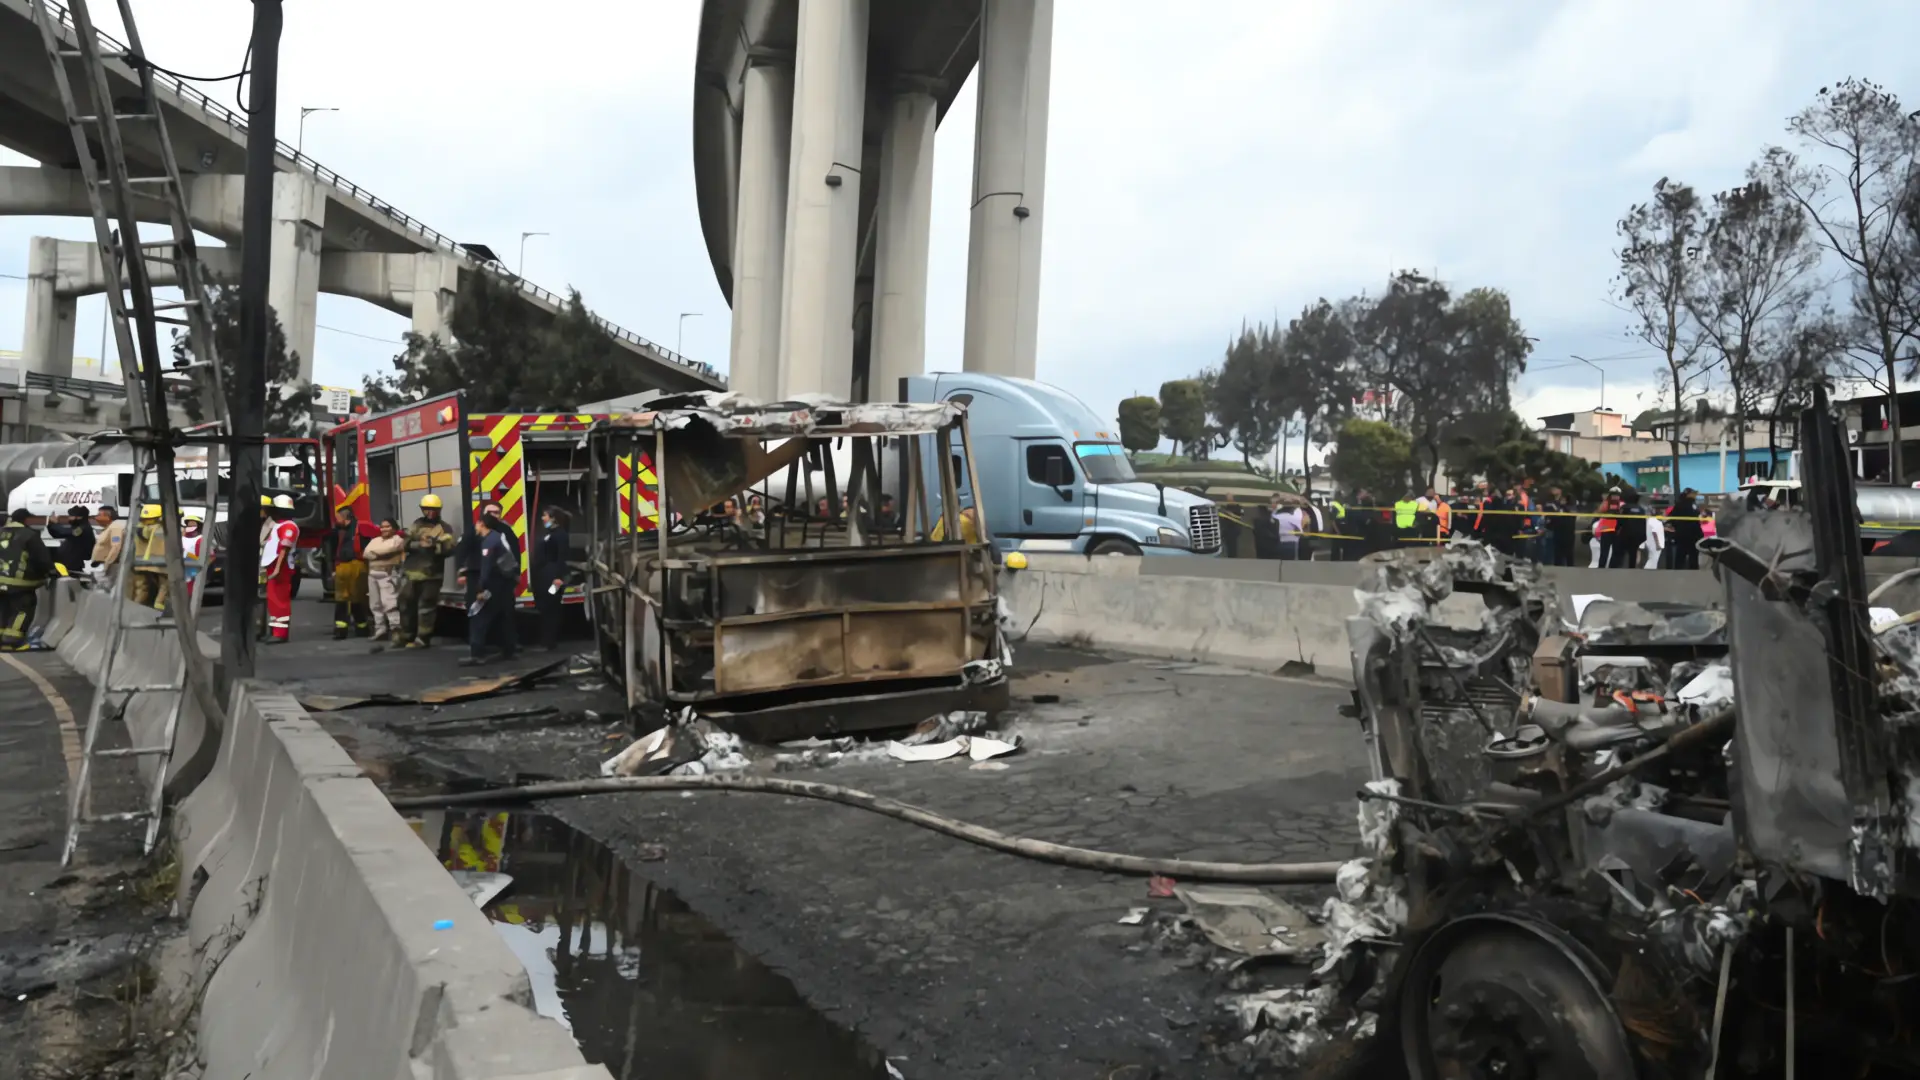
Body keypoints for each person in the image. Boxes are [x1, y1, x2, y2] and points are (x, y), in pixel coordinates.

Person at [395, 494, 458, 649]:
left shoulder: (444, 528)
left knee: (426, 607)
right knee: (405, 604)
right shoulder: (416, 524)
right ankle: (406, 635)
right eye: (427, 510)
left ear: (439, 510)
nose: (430, 513)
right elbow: (405, 543)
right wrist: (418, 544)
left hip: (432, 575)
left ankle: (423, 638)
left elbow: (450, 549)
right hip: (411, 572)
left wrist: (433, 545)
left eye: (433, 510)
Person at [462, 515, 520, 666]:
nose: (475, 527)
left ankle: (477, 654)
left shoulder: (489, 542)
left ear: (482, 524)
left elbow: (486, 568)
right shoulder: (499, 537)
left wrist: (481, 588)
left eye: (477, 524)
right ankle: (508, 650)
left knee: (479, 617)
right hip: (505, 584)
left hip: (494, 584)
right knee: (503, 616)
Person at [0, 508, 54, 650]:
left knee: (3, 609)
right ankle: (12, 641)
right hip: (19, 583)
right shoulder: (29, 535)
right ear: (26, 519)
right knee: (22, 609)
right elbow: (41, 558)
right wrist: (50, 572)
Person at [328, 507, 379, 640]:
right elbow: (332, 551)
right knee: (342, 598)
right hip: (342, 566)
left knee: (357, 598)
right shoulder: (337, 531)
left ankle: (361, 627)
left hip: (357, 565)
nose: (336, 520)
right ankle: (343, 629)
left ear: (346, 518)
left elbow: (377, 535)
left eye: (338, 517)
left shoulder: (361, 527)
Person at [260, 494, 301, 643]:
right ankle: (274, 630)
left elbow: (284, 550)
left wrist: (277, 569)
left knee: (279, 600)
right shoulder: (279, 525)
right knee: (273, 599)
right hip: (273, 566)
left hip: (281, 568)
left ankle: (280, 633)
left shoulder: (289, 527)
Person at [362, 518, 406, 652]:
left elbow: (390, 549)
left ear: (393, 528)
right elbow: (366, 553)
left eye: (387, 527)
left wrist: (376, 553)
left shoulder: (397, 539)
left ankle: (395, 630)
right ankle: (380, 629)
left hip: (387, 574)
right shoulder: (375, 540)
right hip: (372, 574)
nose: (384, 529)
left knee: (389, 603)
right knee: (375, 604)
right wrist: (378, 553)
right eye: (382, 527)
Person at [531, 506, 570, 651]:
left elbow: (562, 557)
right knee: (545, 608)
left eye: (545, 515)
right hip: (544, 575)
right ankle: (546, 641)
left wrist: (558, 577)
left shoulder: (560, 535)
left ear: (553, 518)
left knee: (551, 608)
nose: (543, 518)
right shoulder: (548, 533)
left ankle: (549, 642)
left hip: (553, 577)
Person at [128, 503, 169, 609]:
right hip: (159, 563)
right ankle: (159, 606)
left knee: (142, 588)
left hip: (139, 563)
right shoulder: (159, 529)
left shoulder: (136, 527)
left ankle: (134, 607)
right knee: (165, 585)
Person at [46, 505, 93, 579]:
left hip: (73, 563)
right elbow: (58, 534)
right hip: (67, 562)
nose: (69, 518)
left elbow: (66, 532)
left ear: (79, 517)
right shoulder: (78, 526)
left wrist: (55, 524)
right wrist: (51, 525)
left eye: (71, 516)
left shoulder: (83, 528)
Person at [89, 505, 125, 589]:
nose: (96, 518)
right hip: (101, 565)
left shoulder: (115, 528)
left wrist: (107, 564)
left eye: (99, 515)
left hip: (108, 567)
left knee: (104, 589)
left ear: (107, 516)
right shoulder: (108, 528)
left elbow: (116, 547)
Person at [1667, 489, 1703, 571]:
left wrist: (1676, 526)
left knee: (1680, 556)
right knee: (1693, 556)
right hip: (1693, 535)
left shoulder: (1680, 504)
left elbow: (1671, 517)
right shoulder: (1693, 505)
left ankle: (1678, 572)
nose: (1695, 496)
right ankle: (1693, 573)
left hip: (1682, 534)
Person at [180, 510, 206, 604]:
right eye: (188, 524)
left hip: (193, 569)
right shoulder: (181, 537)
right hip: (180, 566)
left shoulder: (201, 539)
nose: (190, 526)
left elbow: (208, 556)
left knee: (191, 591)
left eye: (193, 524)